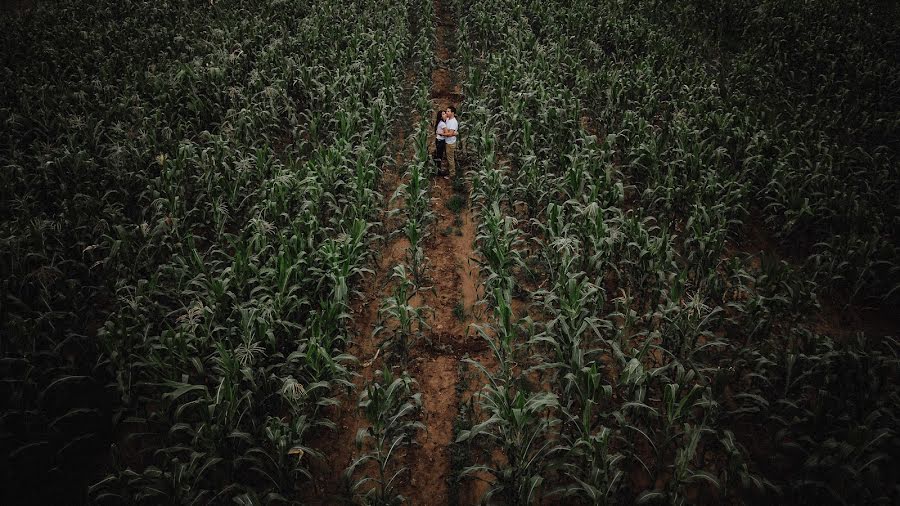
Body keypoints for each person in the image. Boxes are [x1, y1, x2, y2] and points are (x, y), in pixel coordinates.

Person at [442, 106, 459, 177]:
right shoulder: (448, 119)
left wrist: (442, 133)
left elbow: (450, 134)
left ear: (453, 113)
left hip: (450, 143)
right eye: (446, 111)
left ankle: (452, 174)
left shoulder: (453, 122)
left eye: (448, 111)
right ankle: (448, 170)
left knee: (450, 159)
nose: (446, 112)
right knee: (448, 157)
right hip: (447, 142)